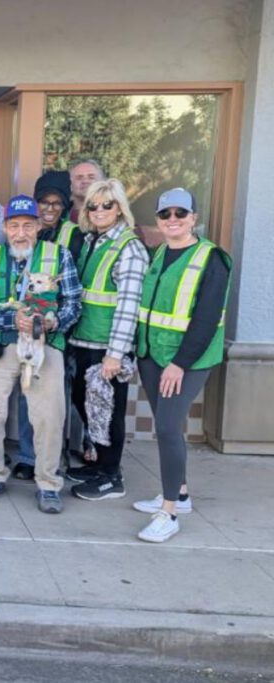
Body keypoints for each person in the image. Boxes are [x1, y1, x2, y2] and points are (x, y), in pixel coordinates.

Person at [0, 195, 82, 514]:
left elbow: (74, 303)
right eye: (14, 226)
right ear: (4, 228)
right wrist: (9, 320)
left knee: (48, 416)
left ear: (38, 227)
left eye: (27, 226)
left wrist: (53, 320)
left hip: (45, 344)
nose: (20, 233)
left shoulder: (59, 256)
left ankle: (47, 483)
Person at [133, 188, 231, 543]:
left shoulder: (211, 259)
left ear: (194, 217)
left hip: (184, 360)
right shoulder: (160, 252)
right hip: (152, 354)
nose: (172, 220)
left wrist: (179, 364)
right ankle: (181, 492)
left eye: (180, 213)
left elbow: (206, 319)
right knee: (166, 426)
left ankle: (169, 512)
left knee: (169, 428)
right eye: (165, 215)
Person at [66, 179, 148, 500]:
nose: (99, 211)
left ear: (120, 208)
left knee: (107, 410)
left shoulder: (129, 247)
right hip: (84, 341)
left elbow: (128, 305)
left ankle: (111, 476)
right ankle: (99, 465)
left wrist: (115, 355)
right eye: (93, 206)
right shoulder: (91, 242)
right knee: (86, 405)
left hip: (106, 348)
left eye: (107, 205)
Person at [14, 170, 87, 480]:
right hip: (24, 331)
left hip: (58, 332)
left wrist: (57, 322)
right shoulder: (23, 231)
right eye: (44, 202)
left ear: (65, 206)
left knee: (55, 403)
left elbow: (74, 289)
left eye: (57, 203)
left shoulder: (74, 236)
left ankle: (53, 460)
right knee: (26, 391)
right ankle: (28, 457)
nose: (49, 209)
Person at [68, 159, 105, 224]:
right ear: (70, 185)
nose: (85, 181)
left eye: (91, 177)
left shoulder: (112, 216)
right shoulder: (59, 216)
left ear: (102, 182)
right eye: (79, 178)